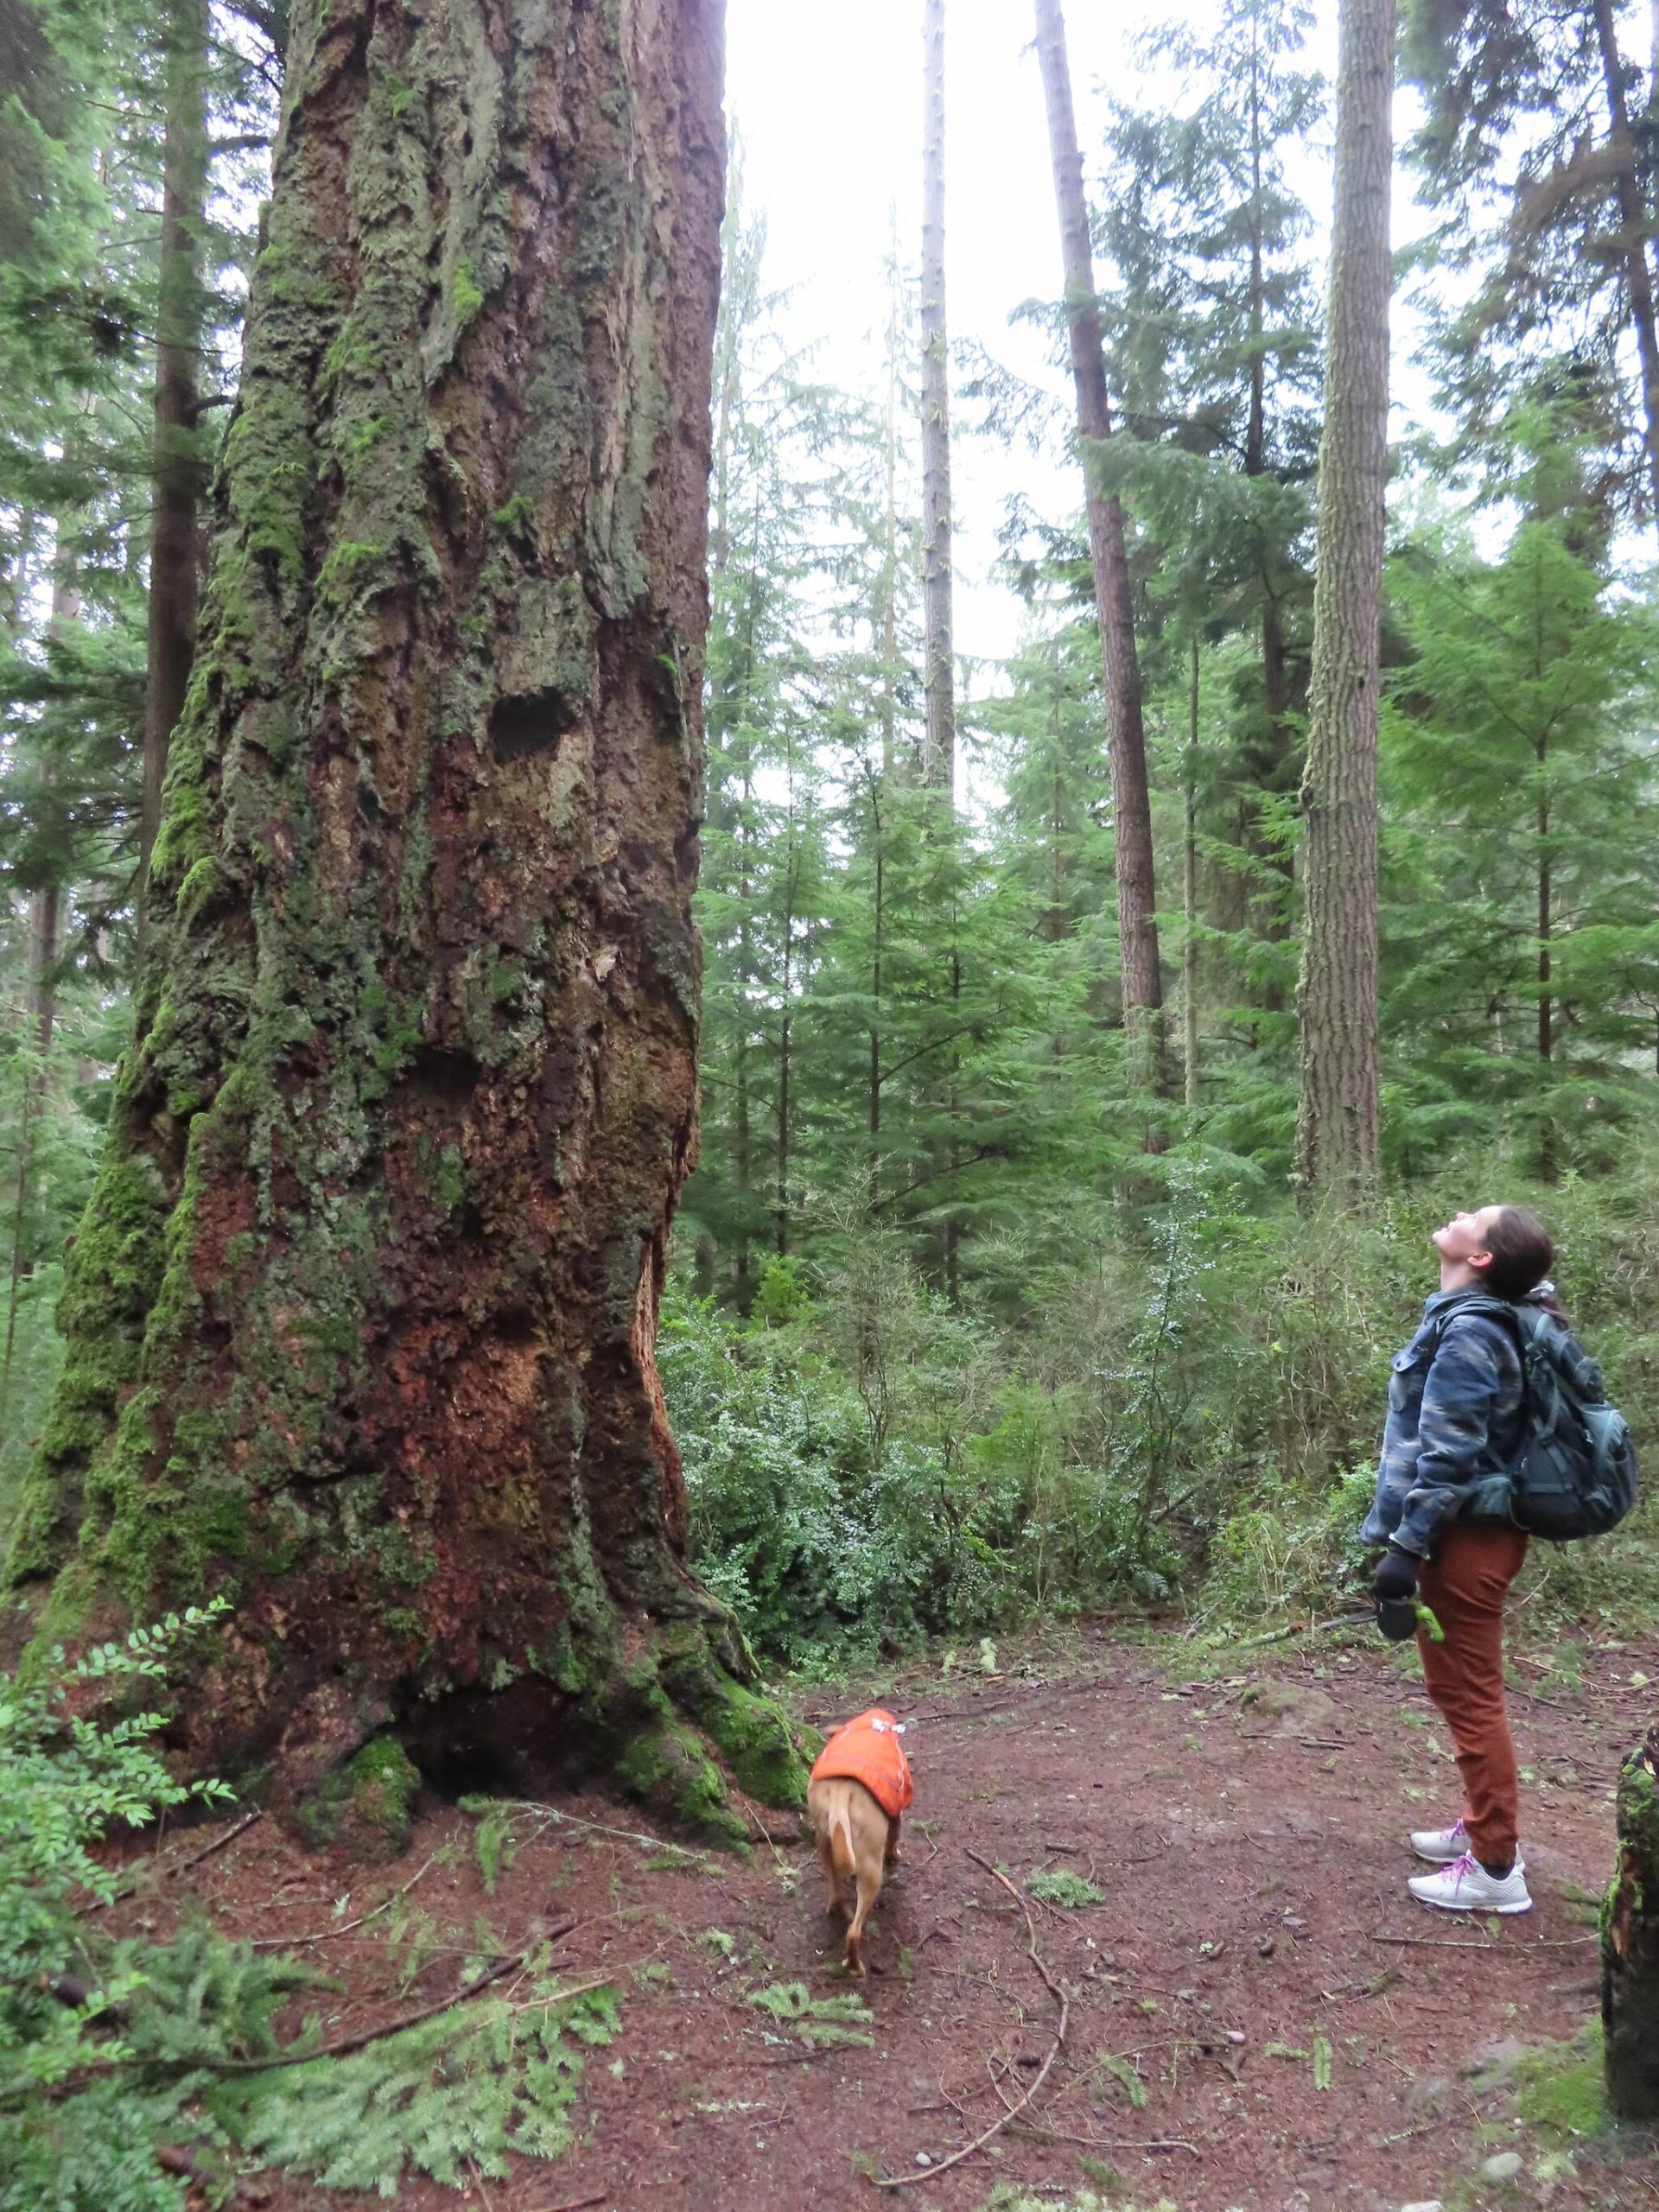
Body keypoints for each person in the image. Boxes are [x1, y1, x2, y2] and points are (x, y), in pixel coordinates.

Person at [1362, 1204, 1560, 1916]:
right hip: (1463, 1533)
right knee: (1457, 1691)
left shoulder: (1472, 1331)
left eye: (1475, 1216)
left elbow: (1448, 1455)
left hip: (1467, 1538)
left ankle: (1497, 1870)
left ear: (1482, 1258)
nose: (1458, 1214)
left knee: (1473, 1698)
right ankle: (1483, 1827)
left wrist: (1404, 1548)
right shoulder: (1467, 1319)